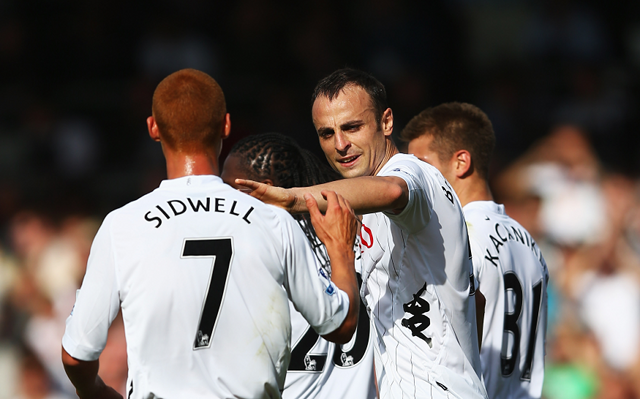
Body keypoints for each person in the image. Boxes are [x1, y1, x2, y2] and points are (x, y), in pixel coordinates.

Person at [60, 69, 361, 399]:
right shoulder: (273, 220)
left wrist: (96, 391)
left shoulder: (122, 225)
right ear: (226, 126)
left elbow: (76, 355)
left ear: (153, 128)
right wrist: (342, 250)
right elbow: (340, 325)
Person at [237, 69, 488, 398]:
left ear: (386, 123)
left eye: (352, 127)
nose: (340, 145)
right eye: (327, 133)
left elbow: (393, 191)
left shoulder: (410, 172)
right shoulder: (363, 205)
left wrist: (292, 197)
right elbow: (477, 300)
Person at [400, 102, 549, 399]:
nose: (409, 177)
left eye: (420, 164)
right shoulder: (529, 243)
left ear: (461, 162)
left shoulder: (455, 238)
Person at [221, 132, 377, 399]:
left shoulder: (258, 252)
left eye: (228, 186)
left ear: (261, 189)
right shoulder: (359, 240)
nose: (222, 196)